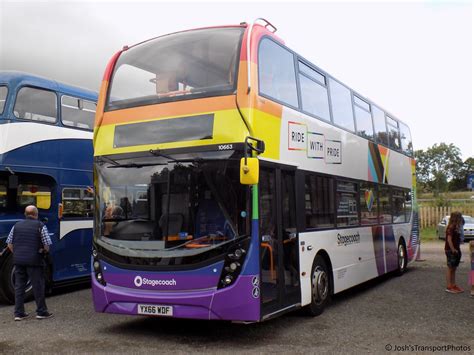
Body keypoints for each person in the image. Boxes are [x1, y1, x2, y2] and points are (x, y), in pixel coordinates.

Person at [6, 205, 53, 320]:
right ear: (36, 214)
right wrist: (43, 251)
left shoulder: (16, 225)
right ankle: (41, 312)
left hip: (18, 260)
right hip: (35, 260)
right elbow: (47, 245)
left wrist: (17, 253)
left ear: (25, 214)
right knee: (38, 286)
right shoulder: (40, 225)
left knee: (19, 286)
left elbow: (9, 244)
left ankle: (19, 313)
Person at [445, 211, 464, 294]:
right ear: (456, 218)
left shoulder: (457, 227)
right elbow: (449, 239)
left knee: (454, 268)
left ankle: (453, 284)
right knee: (450, 268)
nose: (461, 219)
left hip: (456, 249)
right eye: (460, 217)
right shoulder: (451, 227)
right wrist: (453, 249)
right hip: (450, 250)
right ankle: (449, 286)